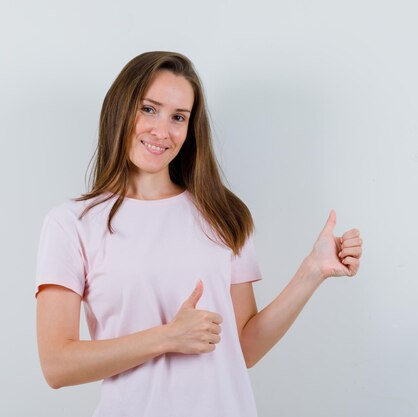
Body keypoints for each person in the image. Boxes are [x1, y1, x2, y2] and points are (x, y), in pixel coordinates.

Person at [34, 51, 362, 417]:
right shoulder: (72, 224)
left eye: (178, 117)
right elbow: (56, 365)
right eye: (148, 109)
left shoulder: (222, 214)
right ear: (120, 110)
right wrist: (167, 337)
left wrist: (312, 271)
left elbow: (244, 348)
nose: (162, 131)